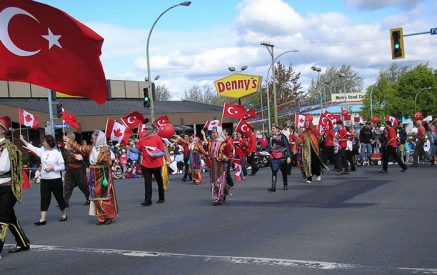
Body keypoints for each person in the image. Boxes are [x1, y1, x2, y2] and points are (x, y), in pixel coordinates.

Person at [65, 130, 118, 225]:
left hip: (103, 174)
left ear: (99, 138)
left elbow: (108, 162)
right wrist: (70, 141)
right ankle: (102, 217)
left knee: (105, 196)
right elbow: (80, 148)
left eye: (93, 138)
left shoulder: (106, 149)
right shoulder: (92, 148)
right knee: (96, 196)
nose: (92, 140)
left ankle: (109, 215)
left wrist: (105, 153)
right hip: (94, 174)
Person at [20, 134, 67, 225]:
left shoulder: (57, 153)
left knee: (59, 198)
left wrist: (52, 168)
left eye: (44, 141)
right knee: (44, 198)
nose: (42, 143)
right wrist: (22, 140)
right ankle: (42, 219)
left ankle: (64, 214)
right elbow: (31, 147)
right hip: (45, 179)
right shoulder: (42, 151)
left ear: (49, 142)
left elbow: (62, 166)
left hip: (55, 179)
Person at [0, 116, 30, 257]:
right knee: (9, 217)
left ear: (2, 130)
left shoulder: (8, 148)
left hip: (8, 187)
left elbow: (3, 167)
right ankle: (23, 242)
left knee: (2, 217)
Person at [197, 126, 231, 206]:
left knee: (220, 180)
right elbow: (206, 150)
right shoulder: (211, 143)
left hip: (220, 164)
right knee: (213, 181)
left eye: (214, 132)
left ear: (218, 133)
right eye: (212, 133)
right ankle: (217, 196)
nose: (213, 134)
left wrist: (226, 157)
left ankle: (219, 198)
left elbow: (229, 153)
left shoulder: (224, 143)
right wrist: (203, 136)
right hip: (213, 164)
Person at [136, 123, 167, 206]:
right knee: (147, 182)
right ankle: (148, 200)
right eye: (144, 129)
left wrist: (156, 155)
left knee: (159, 181)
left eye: (146, 129)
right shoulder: (142, 139)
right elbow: (137, 150)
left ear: (151, 130)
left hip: (156, 164)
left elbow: (163, 151)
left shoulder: (157, 138)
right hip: (145, 164)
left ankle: (161, 198)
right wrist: (130, 149)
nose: (144, 130)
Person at [61, 132, 90, 207]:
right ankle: (65, 201)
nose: (65, 138)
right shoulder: (64, 148)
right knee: (67, 186)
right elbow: (63, 158)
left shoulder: (77, 147)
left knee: (83, 185)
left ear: (71, 138)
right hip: (69, 169)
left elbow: (84, 157)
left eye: (67, 137)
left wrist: (86, 167)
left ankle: (89, 199)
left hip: (79, 169)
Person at [298, 115, 327, 184]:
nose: (306, 123)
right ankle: (309, 178)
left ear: (310, 122)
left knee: (315, 163)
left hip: (314, 150)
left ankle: (318, 173)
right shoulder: (303, 133)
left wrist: (320, 136)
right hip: (306, 151)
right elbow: (300, 141)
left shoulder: (314, 131)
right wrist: (299, 142)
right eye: (306, 122)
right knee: (308, 164)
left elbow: (319, 139)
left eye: (308, 121)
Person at [267, 124, 291, 191]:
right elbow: (269, 148)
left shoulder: (283, 137)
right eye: (272, 128)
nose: (272, 130)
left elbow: (287, 146)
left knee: (284, 172)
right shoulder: (270, 138)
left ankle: (285, 185)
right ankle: (273, 187)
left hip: (282, 157)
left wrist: (288, 156)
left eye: (273, 128)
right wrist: (264, 153)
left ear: (277, 129)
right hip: (274, 158)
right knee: (274, 172)